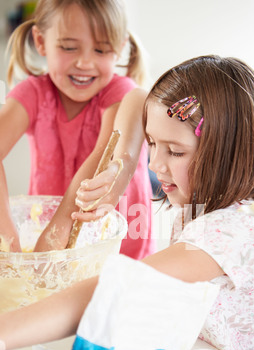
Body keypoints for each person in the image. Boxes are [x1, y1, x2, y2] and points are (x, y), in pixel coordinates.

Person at [0, 55, 254, 350]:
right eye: (152, 143)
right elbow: (135, 99)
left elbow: (110, 290)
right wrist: (121, 167)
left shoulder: (233, 231)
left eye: (175, 151)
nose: (154, 164)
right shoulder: (209, 205)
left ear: (230, 153)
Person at [0, 0, 155, 259]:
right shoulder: (34, 94)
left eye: (101, 50)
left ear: (119, 48)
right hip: (48, 246)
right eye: (69, 47)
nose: (85, 62)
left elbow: (103, 158)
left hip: (121, 254)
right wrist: (7, 240)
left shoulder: (122, 95)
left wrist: (54, 238)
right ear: (40, 41)